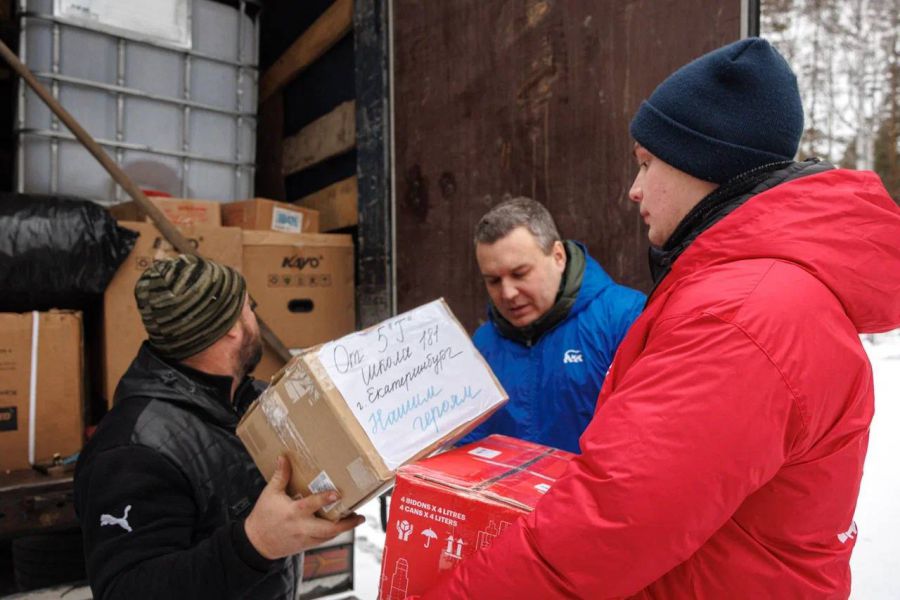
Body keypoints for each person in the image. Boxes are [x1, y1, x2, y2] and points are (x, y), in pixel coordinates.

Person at [422, 37, 900, 598]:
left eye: (646, 163)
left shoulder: (741, 317)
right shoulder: (758, 293)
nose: (634, 189)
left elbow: (605, 527)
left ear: (704, 162)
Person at [75, 255, 363, 599]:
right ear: (231, 327)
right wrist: (255, 543)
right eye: (250, 307)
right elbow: (125, 591)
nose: (254, 317)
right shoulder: (131, 451)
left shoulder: (248, 399)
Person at [459, 197, 645, 453]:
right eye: (493, 281)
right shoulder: (482, 346)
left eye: (520, 274)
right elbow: (465, 447)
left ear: (558, 256)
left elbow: (646, 435)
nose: (508, 293)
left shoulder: (625, 319)